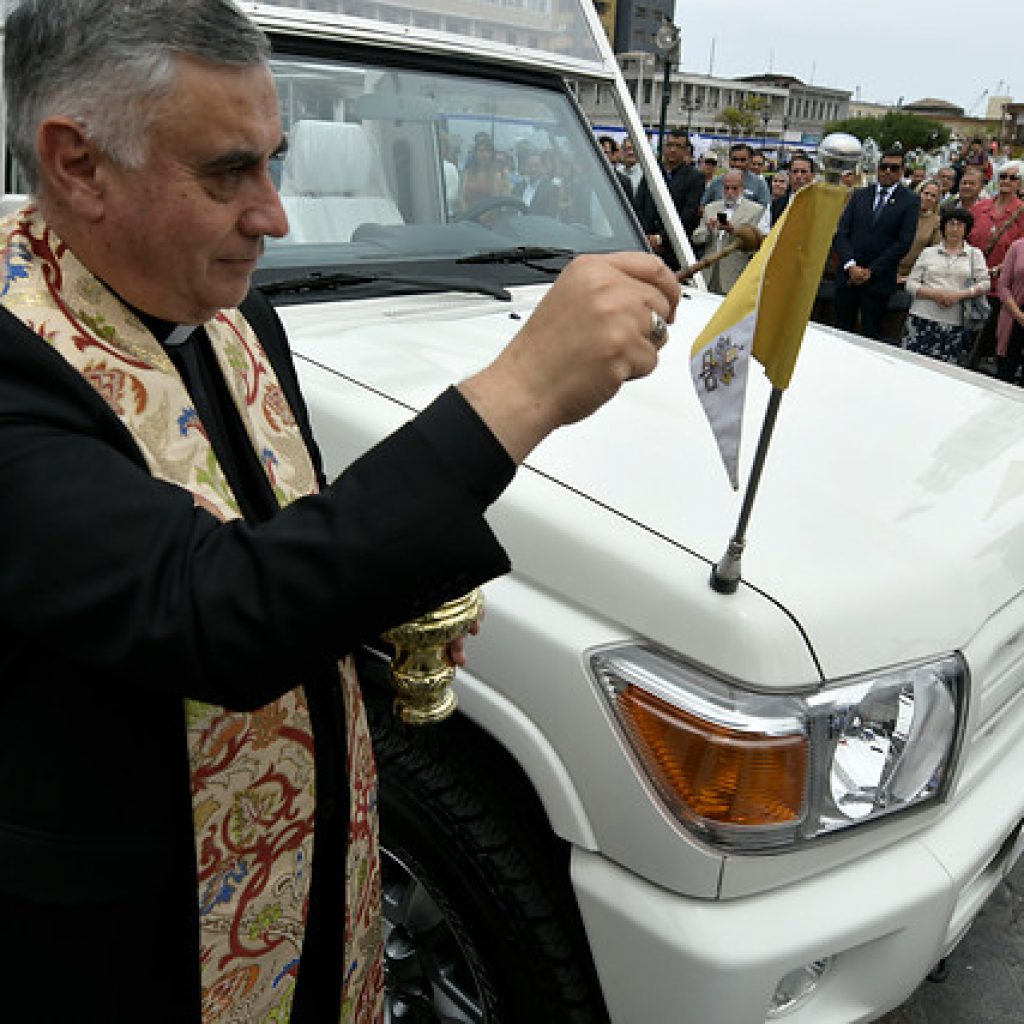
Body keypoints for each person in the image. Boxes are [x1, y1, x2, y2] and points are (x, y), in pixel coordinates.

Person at [0, 1, 681, 1022]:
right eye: (229, 172)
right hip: (128, 940)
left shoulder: (231, 313)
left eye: (275, 162)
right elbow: (209, 608)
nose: (275, 216)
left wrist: (372, 612)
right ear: (79, 165)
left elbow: (280, 533)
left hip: (311, 865)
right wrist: (523, 390)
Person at [831, 148, 919, 339]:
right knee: (839, 332)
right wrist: (851, 266)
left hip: (878, 280)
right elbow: (842, 233)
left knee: (870, 334)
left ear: (902, 171)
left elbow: (903, 242)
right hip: (848, 276)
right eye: (884, 167)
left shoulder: (910, 201)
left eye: (894, 168)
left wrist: (870, 271)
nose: (888, 171)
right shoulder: (860, 195)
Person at [901, 206, 989, 365]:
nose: (955, 229)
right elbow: (911, 284)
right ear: (944, 227)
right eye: (951, 224)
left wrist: (959, 295)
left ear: (966, 228)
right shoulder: (929, 252)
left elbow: (984, 283)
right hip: (921, 317)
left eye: (960, 225)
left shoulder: (974, 254)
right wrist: (935, 294)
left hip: (954, 323)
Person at [964, 160, 1024, 369]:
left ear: (1020, 183)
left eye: (1013, 177)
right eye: (1003, 176)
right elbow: (965, 239)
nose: (1006, 181)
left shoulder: (1022, 213)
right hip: (971, 282)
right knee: (966, 338)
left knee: (988, 344)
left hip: (1001, 290)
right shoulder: (980, 208)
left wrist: (1000, 268)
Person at [634, 128, 704, 269]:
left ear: (686, 151)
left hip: (673, 250)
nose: (673, 150)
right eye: (669, 145)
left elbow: (688, 215)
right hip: (644, 243)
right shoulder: (651, 171)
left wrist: (661, 239)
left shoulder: (694, 178)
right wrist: (646, 236)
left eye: (678, 146)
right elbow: (638, 205)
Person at [690, 169, 764, 294]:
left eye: (734, 188)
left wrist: (733, 230)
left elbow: (757, 243)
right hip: (707, 273)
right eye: (726, 188)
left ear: (743, 188)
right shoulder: (710, 208)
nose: (730, 192)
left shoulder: (756, 210)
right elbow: (696, 238)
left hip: (734, 274)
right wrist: (708, 229)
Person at [700, 142, 770, 208]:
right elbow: (703, 207)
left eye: (743, 160)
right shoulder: (717, 182)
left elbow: (764, 210)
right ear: (729, 160)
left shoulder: (759, 184)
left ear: (750, 161)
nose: (738, 164)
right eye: (734, 159)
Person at [995, 236, 1024, 383]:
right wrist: (1019, 316)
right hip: (1013, 318)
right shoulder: (1018, 246)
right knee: (1005, 376)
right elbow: (1003, 286)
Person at [459, 135, 506, 211]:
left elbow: (494, 202)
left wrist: (480, 219)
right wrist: (467, 215)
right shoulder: (468, 173)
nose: (484, 154)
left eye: (487, 151)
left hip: (488, 218)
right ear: (476, 153)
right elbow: (461, 197)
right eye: (481, 151)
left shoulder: (496, 175)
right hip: (467, 218)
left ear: (492, 154)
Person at [512, 150, 560, 216]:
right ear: (525, 168)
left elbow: (550, 216)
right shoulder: (518, 186)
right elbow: (511, 209)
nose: (532, 169)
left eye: (536, 166)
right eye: (529, 166)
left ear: (543, 168)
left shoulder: (551, 190)